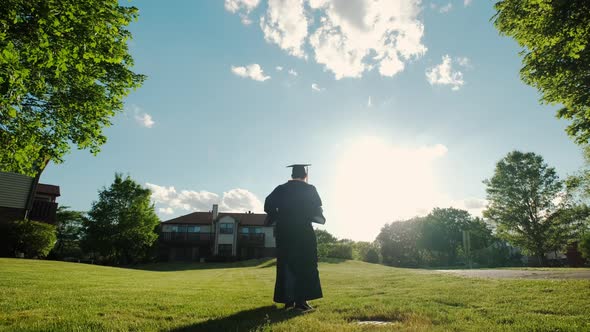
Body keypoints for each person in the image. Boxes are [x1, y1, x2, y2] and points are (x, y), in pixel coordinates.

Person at [264, 164, 325, 313]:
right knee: (305, 264)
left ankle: (288, 301)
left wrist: (279, 215)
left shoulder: (281, 188)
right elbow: (317, 209)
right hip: (303, 231)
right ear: (304, 175)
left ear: (292, 176)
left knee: (286, 263)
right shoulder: (310, 189)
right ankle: (301, 302)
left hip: (284, 232)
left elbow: (268, 205)